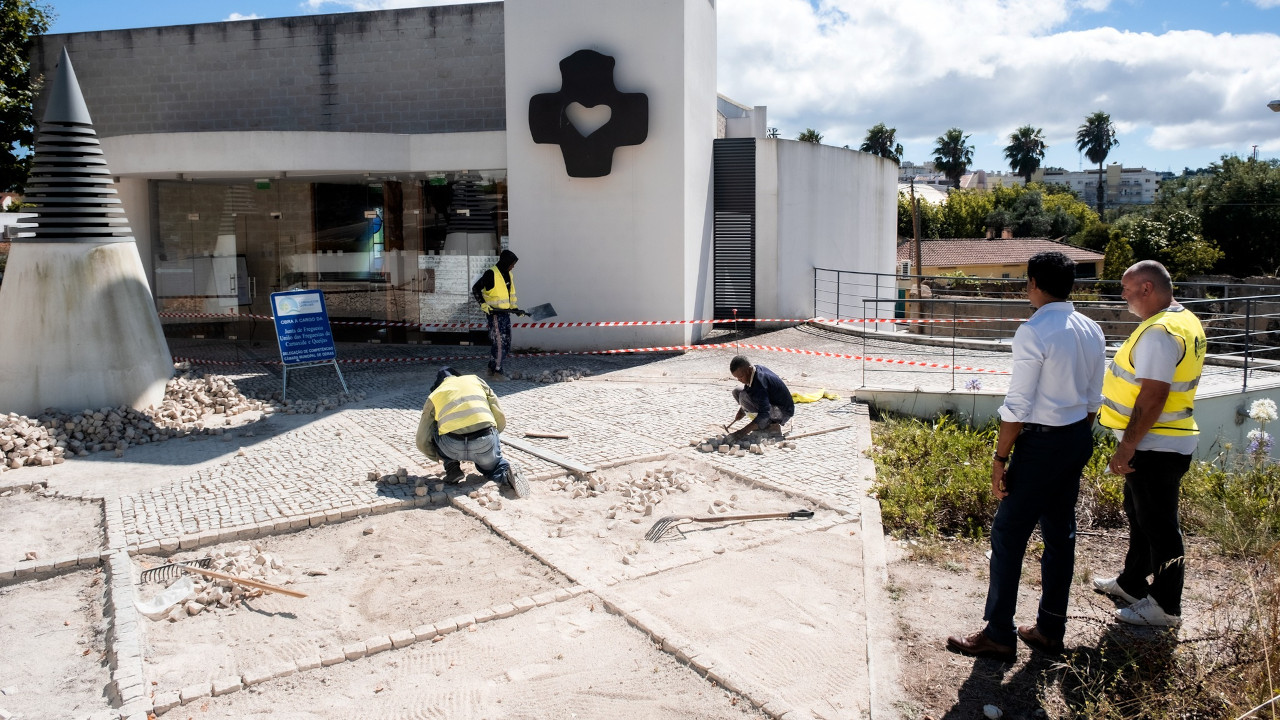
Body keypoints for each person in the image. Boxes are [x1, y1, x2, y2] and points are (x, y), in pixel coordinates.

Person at [947, 251, 1106, 661]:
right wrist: (1070, 439)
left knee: (1008, 535)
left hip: (1041, 445)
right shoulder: (1091, 329)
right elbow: (1093, 400)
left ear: (1034, 283)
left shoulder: (1033, 331)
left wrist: (1000, 459)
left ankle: (999, 632)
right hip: (1075, 439)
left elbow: (1017, 404)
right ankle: (1051, 628)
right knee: (1059, 536)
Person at [1093, 260, 1205, 628]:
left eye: (1127, 288)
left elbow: (1154, 395)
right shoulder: (1183, 320)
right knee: (1141, 516)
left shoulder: (1159, 332)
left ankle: (1166, 605)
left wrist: (1126, 447)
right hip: (1163, 441)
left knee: (1159, 526)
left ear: (1147, 288)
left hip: (1156, 444)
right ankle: (1131, 583)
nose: (1122, 294)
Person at [415, 367, 529, 498]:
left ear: (439, 384)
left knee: (435, 428)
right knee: (493, 466)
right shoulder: (475, 380)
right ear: (458, 376)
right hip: (484, 443)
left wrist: (437, 455)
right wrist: (494, 436)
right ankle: (505, 474)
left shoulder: (435, 395)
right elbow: (499, 416)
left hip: (451, 447)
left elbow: (421, 440)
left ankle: (452, 468)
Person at [471, 249, 527, 381]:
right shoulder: (491, 273)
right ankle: (497, 372)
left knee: (506, 342)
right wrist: (485, 306)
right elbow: (476, 289)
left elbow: (510, 294)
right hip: (495, 314)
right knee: (500, 343)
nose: (513, 266)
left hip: (505, 314)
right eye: (512, 264)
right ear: (505, 262)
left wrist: (515, 309)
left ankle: (491, 369)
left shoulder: (508, 274)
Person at [727, 355, 795, 440]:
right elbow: (749, 390)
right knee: (737, 391)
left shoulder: (760, 382)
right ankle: (762, 423)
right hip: (771, 403)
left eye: (740, 377)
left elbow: (764, 412)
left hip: (783, 412)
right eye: (737, 378)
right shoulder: (753, 372)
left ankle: (772, 426)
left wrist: (742, 432)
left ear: (749, 370)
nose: (739, 380)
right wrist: (742, 410)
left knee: (743, 397)